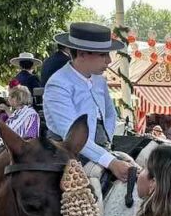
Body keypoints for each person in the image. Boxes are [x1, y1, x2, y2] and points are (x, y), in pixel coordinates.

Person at [43, 22, 131, 184]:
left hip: (102, 147)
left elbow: (110, 114)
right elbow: (71, 135)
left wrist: (106, 144)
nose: (109, 60)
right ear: (82, 54)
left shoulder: (99, 80)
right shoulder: (58, 84)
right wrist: (110, 161)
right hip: (67, 153)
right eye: (103, 55)